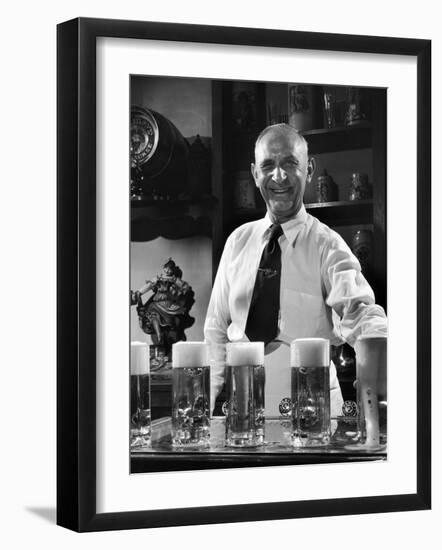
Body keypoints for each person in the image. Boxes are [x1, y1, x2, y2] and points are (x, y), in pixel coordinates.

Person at [204, 123, 387, 416]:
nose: (279, 176)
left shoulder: (328, 244)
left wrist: (379, 351)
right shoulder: (237, 241)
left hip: (314, 410)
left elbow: (362, 312)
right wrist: (210, 406)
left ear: (310, 169)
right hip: (242, 411)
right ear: (255, 174)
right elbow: (215, 329)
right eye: (268, 166)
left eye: (290, 163)